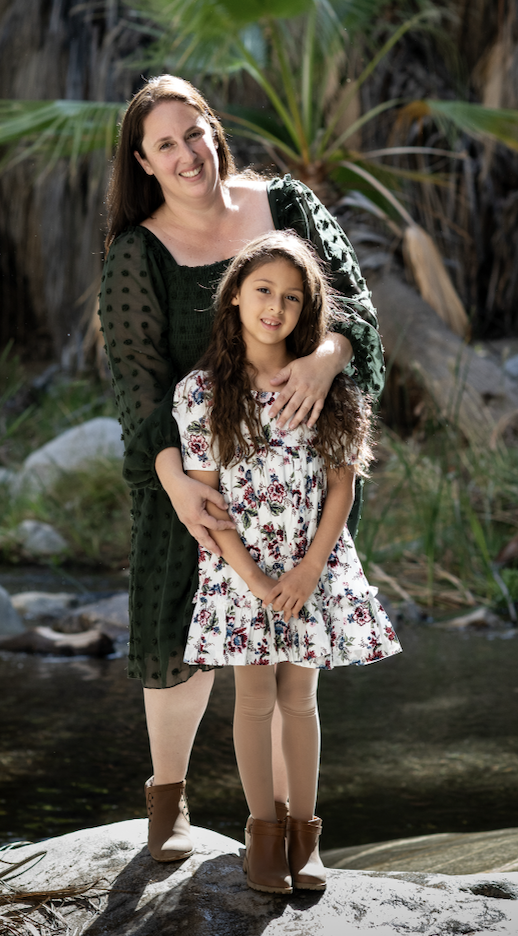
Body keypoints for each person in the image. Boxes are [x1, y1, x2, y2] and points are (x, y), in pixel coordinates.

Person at [98, 74, 386, 864]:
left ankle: (298, 830)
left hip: (298, 471)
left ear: (213, 129)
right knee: (176, 624)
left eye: (195, 132)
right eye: (166, 144)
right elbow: (137, 386)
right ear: (144, 161)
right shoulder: (139, 253)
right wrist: (175, 480)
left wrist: (327, 358)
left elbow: (356, 309)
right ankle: (169, 808)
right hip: (190, 470)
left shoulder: (286, 206)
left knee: (292, 654)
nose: (188, 153)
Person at [172, 232, 401, 894]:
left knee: (298, 698)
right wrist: (256, 578)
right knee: (252, 697)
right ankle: (262, 834)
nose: (275, 307)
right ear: (236, 294)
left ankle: (306, 838)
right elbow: (206, 498)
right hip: (238, 569)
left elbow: (341, 486)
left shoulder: (324, 383)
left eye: (292, 298)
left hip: (314, 565)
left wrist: (306, 573)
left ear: (308, 311)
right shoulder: (201, 392)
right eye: (264, 291)